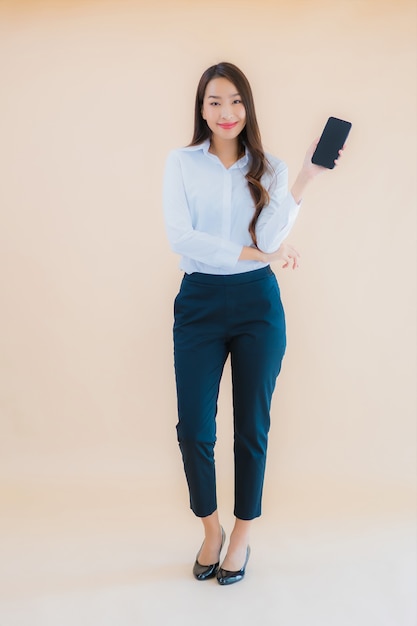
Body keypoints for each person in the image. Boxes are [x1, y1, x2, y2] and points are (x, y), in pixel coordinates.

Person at [163, 61, 343, 586]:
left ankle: (241, 533)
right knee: (194, 429)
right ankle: (210, 529)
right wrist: (253, 251)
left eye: (236, 101)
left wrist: (308, 177)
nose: (226, 112)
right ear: (201, 107)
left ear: (249, 106)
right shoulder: (180, 163)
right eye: (215, 101)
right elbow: (182, 238)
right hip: (197, 301)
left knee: (251, 428)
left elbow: (270, 241)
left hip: (256, 306)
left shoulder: (271, 168)